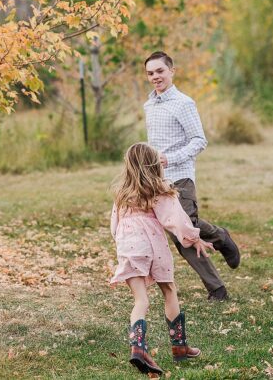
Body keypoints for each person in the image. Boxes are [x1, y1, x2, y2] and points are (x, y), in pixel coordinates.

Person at [143, 50, 241, 301]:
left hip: (181, 177)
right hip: (158, 179)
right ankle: (221, 238)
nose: (155, 76)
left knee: (186, 230)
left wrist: (170, 158)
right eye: (150, 73)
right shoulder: (149, 104)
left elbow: (199, 141)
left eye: (160, 71)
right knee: (182, 233)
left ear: (172, 71)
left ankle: (217, 282)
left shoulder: (183, 103)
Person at [110, 142, 214, 376]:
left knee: (141, 301)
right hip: (152, 245)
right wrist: (193, 238)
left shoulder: (121, 193)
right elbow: (174, 218)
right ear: (154, 165)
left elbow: (114, 226)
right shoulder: (159, 188)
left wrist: (123, 244)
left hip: (127, 246)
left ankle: (138, 348)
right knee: (169, 290)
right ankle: (179, 347)